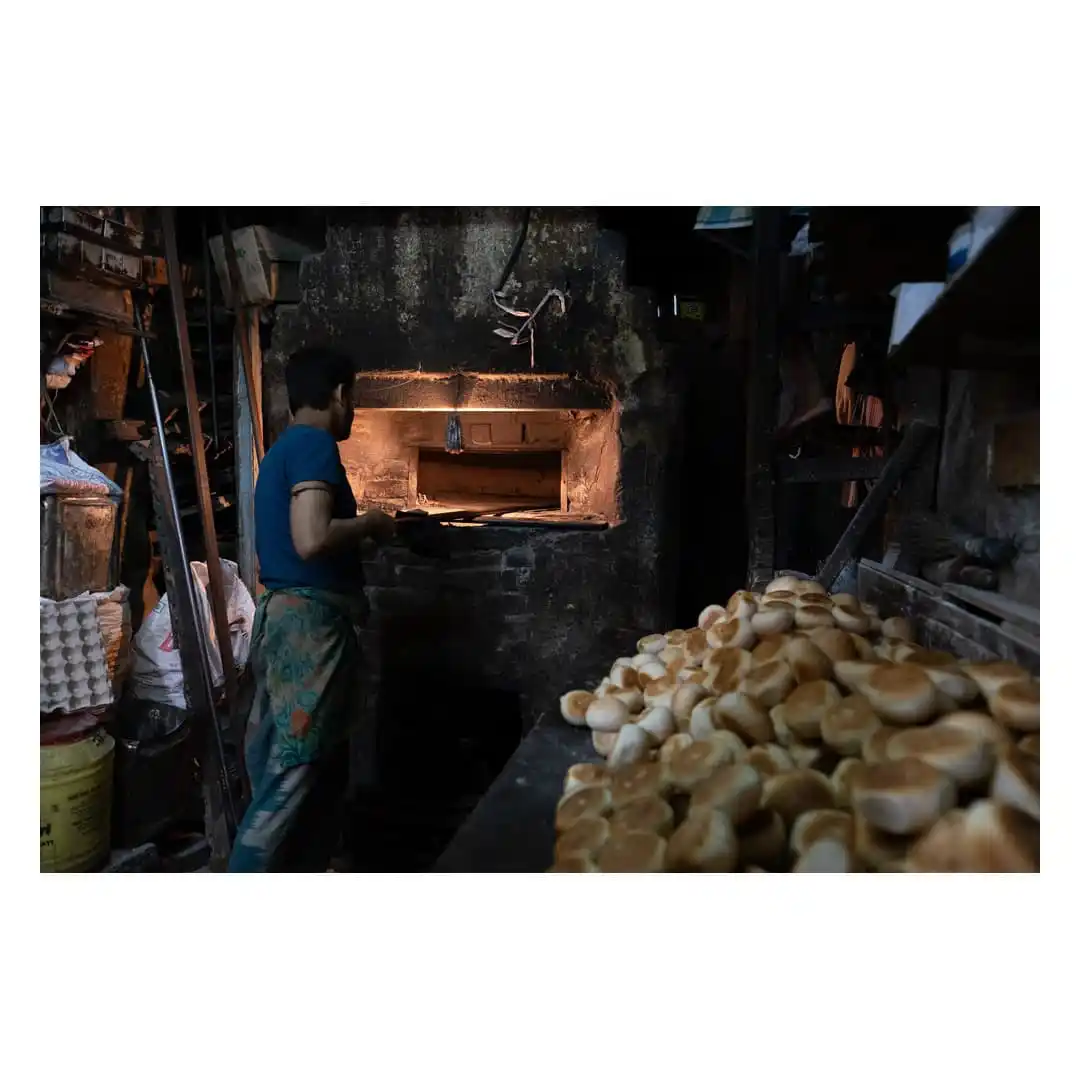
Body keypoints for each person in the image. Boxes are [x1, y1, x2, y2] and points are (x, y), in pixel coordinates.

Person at [228, 347, 395, 872]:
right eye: (354, 398)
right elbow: (311, 537)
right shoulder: (314, 445)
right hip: (309, 633)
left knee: (304, 771)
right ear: (340, 394)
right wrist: (371, 523)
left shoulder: (284, 449)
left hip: (286, 620)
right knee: (290, 777)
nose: (354, 410)